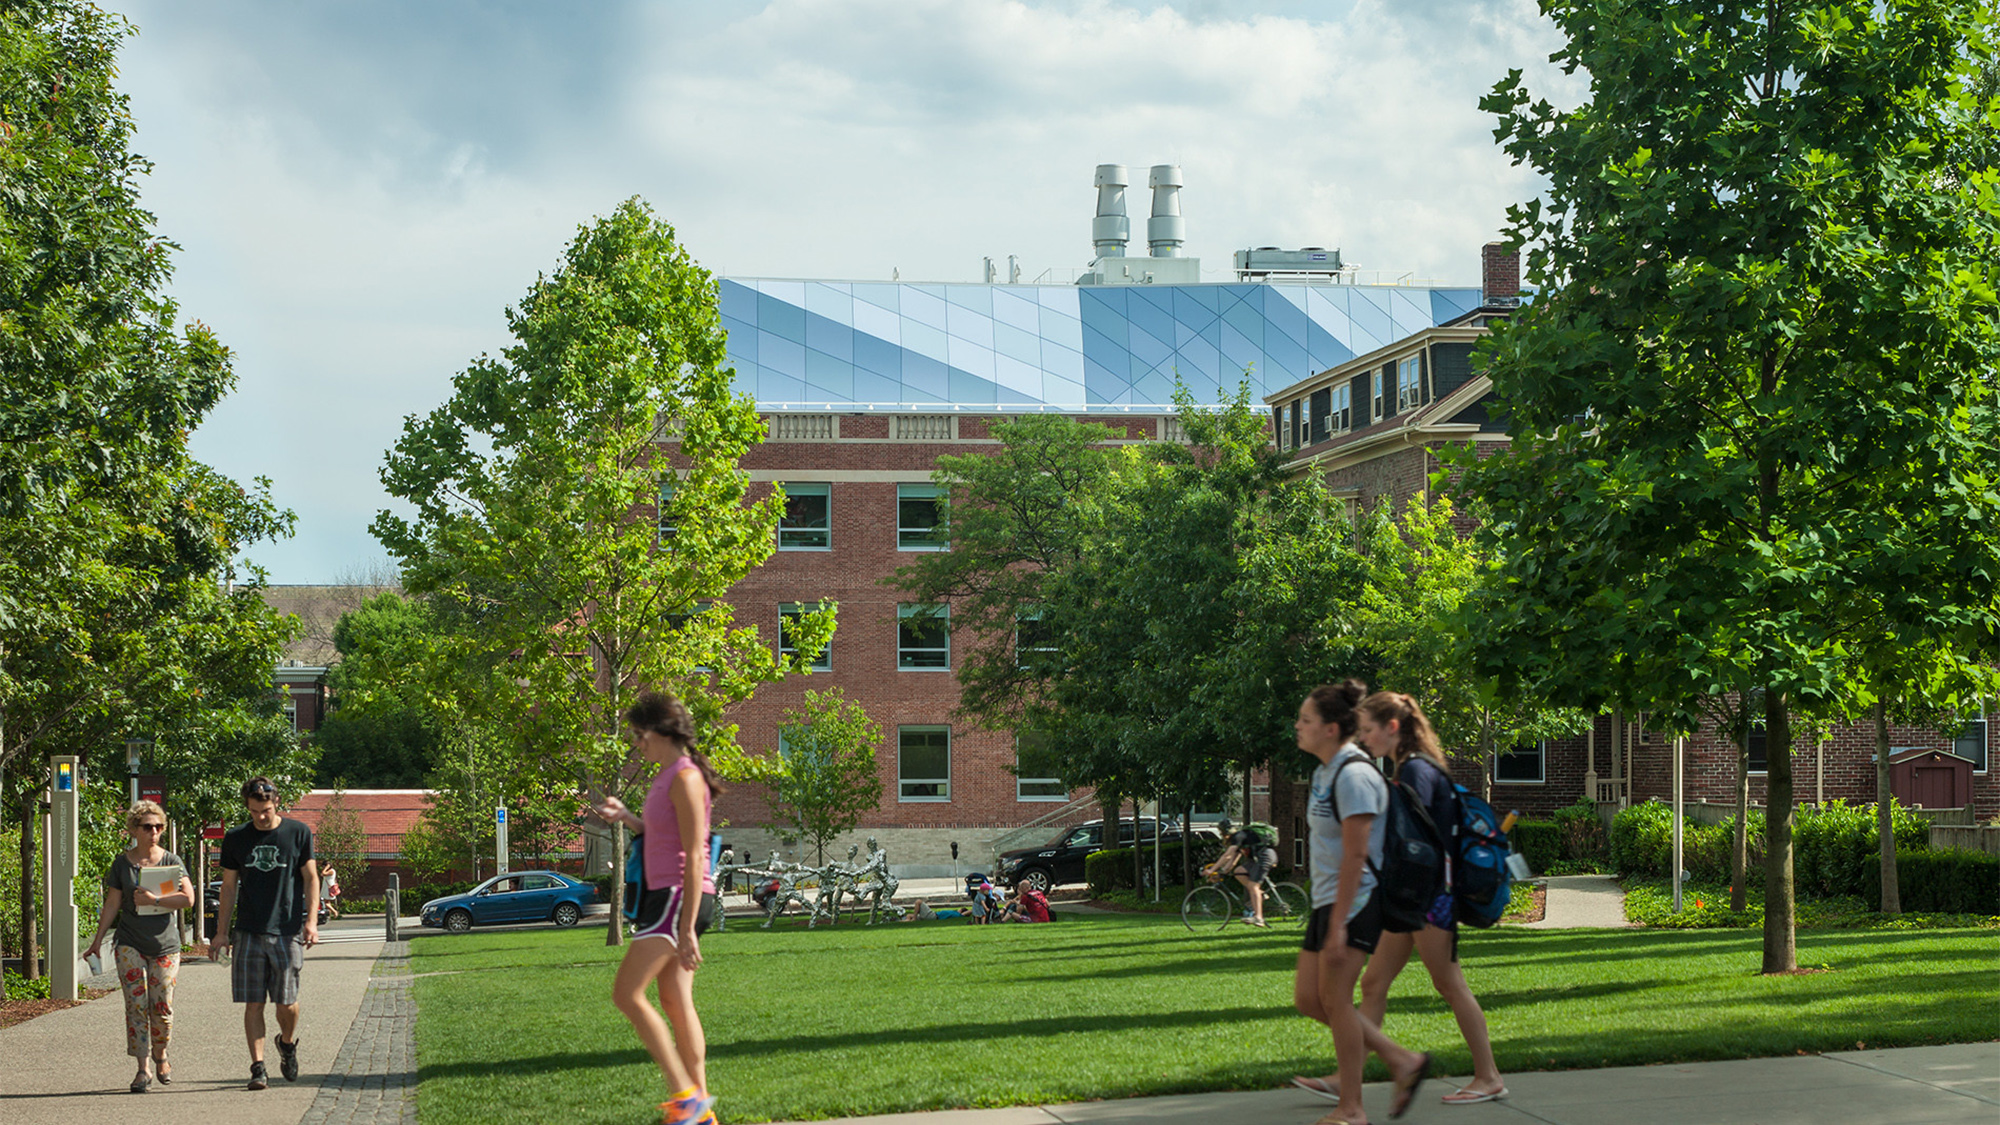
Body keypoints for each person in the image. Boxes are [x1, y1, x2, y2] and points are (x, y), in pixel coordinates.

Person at [1354, 692, 1507, 1105]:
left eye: (1368, 729)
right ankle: (1344, 1078)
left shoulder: (1417, 771)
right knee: (1374, 982)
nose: (1363, 738)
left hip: (1428, 900)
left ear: (1392, 727)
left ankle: (1489, 1076)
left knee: (1449, 983)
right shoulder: (1411, 768)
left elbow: (1415, 842)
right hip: (1414, 899)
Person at [1289, 681, 1432, 1125]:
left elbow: (1356, 854)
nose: (1298, 726)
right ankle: (1401, 1060)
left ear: (1332, 729)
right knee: (1310, 999)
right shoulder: (1324, 772)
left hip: (1355, 902)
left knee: (1336, 1000)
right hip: (1327, 901)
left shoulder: (1354, 775)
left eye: (1307, 720)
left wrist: (1338, 926)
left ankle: (1351, 1108)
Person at [586, 691, 721, 1125]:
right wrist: (626, 816)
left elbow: (696, 853)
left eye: (639, 736)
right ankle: (699, 1110)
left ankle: (687, 1101)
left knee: (626, 993)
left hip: (678, 898)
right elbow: (659, 834)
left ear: (660, 731)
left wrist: (684, 929)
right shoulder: (667, 775)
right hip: (670, 897)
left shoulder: (685, 777)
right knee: (676, 1001)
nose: (637, 744)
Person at [212, 777, 320, 1092]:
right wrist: (221, 933)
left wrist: (310, 921)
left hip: (287, 931)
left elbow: (311, 878)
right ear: (247, 807)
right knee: (253, 1002)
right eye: (255, 811)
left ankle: (286, 1043)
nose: (262, 817)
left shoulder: (297, 833)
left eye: (267, 810)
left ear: (277, 803)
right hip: (248, 931)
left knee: (287, 1002)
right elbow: (229, 887)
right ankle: (258, 1068)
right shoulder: (236, 839)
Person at [85, 800, 196, 1093]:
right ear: (134, 829)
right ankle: (142, 1069)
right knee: (135, 1005)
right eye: (147, 827)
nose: (154, 832)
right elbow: (112, 903)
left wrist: (154, 901)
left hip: (165, 945)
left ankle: (161, 1056)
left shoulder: (172, 861)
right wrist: (98, 941)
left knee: (162, 1006)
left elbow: (188, 899)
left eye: (159, 826)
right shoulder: (123, 863)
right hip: (129, 942)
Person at [1206, 817, 1279, 926]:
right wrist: (1220, 873)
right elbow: (1231, 864)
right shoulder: (1241, 840)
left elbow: (1227, 855)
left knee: (1253, 886)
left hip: (1265, 856)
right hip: (1258, 858)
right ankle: (1260, 894)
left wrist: (1212, 869)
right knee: (1239, 871)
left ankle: (1259, 918)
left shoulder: (1238, 836)